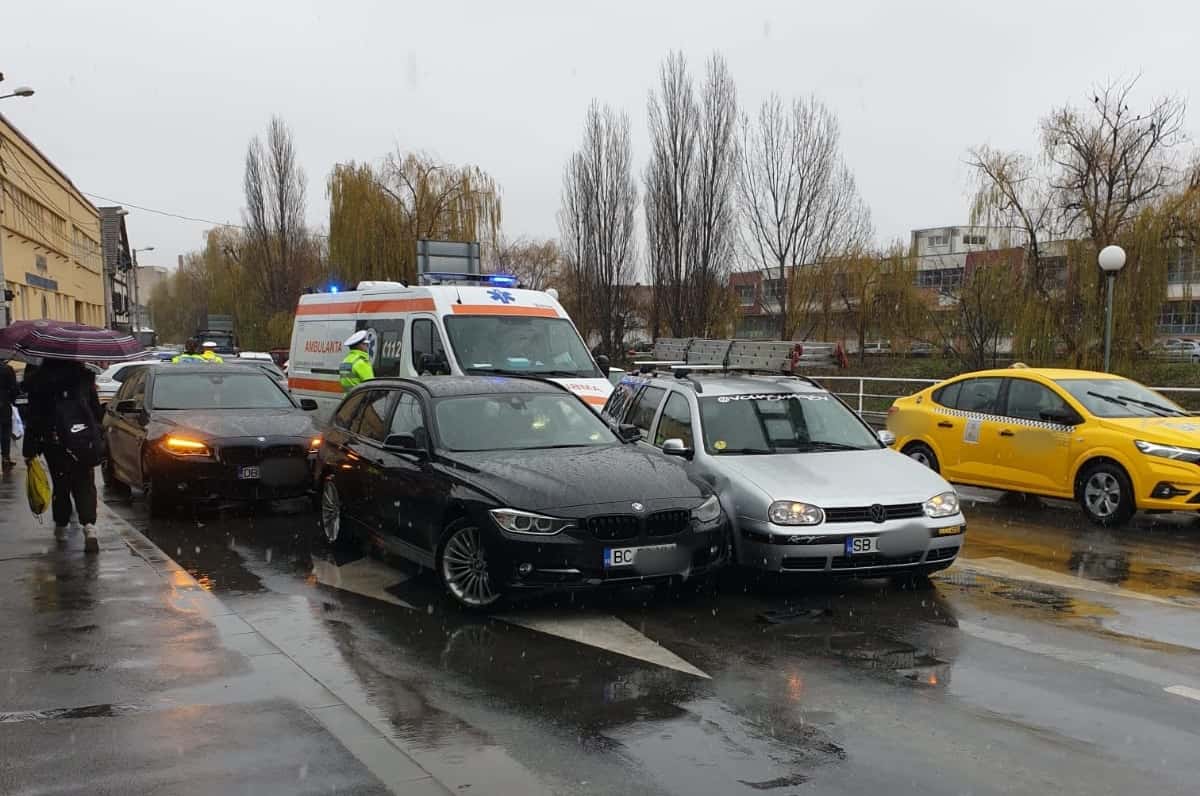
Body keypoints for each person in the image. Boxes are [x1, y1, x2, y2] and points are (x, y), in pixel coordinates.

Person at [22, 359, 103, 552]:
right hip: (82, 440)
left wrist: (30, 449)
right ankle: (89, 526)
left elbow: (34, 417)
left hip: (54, 442)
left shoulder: (41, 380)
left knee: (61, 484)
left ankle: (61, 525)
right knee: (85, 482)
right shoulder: (84, 378)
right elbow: (95, 411)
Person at [0, 358, 17, 471]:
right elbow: (14, 389)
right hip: (4, 404)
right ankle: (5, 458)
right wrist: (11, 400)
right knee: (5, 431)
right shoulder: (7, 369)